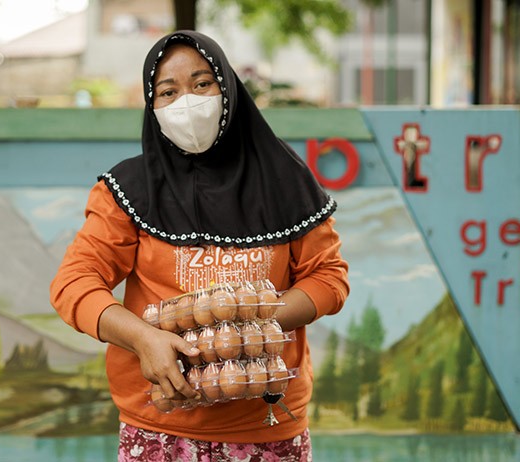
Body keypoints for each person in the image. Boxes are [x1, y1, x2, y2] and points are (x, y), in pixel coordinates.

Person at [50, 30, 349, 461]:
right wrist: (142, 339)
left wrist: (253, 326)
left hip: (267, 426)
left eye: (202, 84)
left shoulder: (283, 179)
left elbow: (329, 276)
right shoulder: (130, 190)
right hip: (159, 426)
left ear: (227, 87)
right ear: (152, 107)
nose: (186, 103)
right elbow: (73, 284)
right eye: (167, 92)